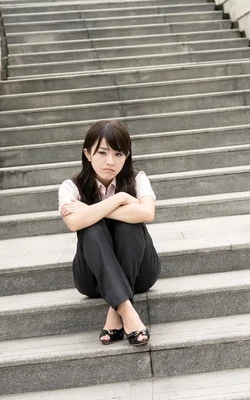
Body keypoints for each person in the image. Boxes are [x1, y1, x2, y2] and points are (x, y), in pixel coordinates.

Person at [57, 119, 160, 346]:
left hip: (141, 274)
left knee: (129, 226)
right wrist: (122, 203)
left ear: (127, 156)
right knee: (90, 227)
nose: (110, 161)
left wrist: (106, 203)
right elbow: (74, 222)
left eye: (118, 154)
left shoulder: (137, 179)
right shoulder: (71, 187)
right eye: (102, 153)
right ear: (87, 153)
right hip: (91, 279)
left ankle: (116, 313)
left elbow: (147, 214)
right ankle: (126, 310)